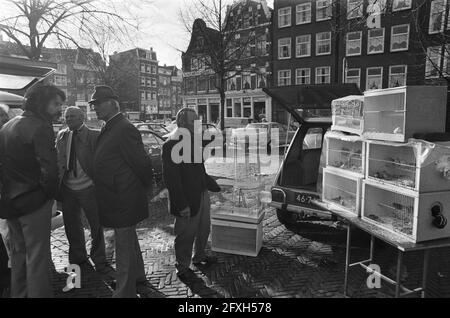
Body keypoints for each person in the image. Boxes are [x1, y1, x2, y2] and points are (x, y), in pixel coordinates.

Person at [90, 86, 153, 298]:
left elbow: (141, 163)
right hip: (118, 195)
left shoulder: (123, 128)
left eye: (98, 103)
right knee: (128, 239)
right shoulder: (111, 126)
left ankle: (124, 292)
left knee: (123, 246)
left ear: (112, 103)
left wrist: (146, 188)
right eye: (93, 104)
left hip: (123, 196)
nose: (95, 107)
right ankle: (138, 276)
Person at [0, 84, 63, 298]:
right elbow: (50, 170)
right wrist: (48, 195)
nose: (59, 109)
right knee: (38, 258)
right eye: (56, 104)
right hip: (33, 202)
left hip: (10, 204)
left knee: (18, 256)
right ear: (41, 103)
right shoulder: (40, 127)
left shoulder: (8, 126)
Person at [162, 108, 220, 280]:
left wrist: (213, 185)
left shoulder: (193, 141)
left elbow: (199, 169)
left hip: (201, 194)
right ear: (182, 123)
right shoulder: (171, 144)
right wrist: (181, 204)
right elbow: (172, 179)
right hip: (186, 198)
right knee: (185, 234)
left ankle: (200, 256)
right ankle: (182, 267)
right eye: (193, 120)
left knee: (203, 229)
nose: (198, 123)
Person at [56, 107, 108, 272]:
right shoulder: (62, 135)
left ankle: (99, 258)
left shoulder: (94, 135)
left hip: (89, 187)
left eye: (73, 116)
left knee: (96, 225)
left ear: (82, 117)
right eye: (67, 116)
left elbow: (102, 161)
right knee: (71, 226)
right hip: (68, 188)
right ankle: (78, 258)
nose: (69, 119)